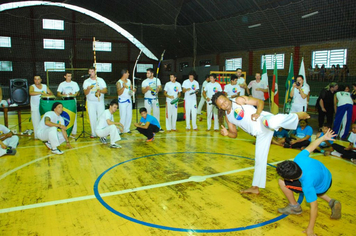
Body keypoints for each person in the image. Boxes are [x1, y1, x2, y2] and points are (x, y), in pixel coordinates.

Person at [211, 91, 310, 194]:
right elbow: (234, 134)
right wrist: (227, 133)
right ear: (219, 108)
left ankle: (296, 116)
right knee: (259, 160)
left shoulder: (239, 100)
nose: (225, 104)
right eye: (221, 104)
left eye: (225, 101)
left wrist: (257, 113)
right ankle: (255, 187)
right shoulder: (228, 117)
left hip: (262, 120)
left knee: (270, 122)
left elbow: (259, 102)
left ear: (227, 97)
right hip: (260, 133)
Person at [276, 129, 341, 236]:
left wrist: (310, 229)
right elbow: (312, 146)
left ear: (291, 180)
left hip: (320, 186)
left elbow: (314, 207)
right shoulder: (299, 158)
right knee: (312, 186)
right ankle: (331, 201)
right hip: (327, 176)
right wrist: (323, 138)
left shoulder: (307, 185)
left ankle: (294, 207)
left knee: (281, 182)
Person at [83, 67, 107, 138]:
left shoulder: (100, 80)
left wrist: (100, 91)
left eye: (92, 71)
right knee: (92, 117)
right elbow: (85, 93)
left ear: (95, 72)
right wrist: (88, 89)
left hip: (100, 101)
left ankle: (101, 132)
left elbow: (105, 90)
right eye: (89, 71)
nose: (91, 73)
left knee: (101, 116)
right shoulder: (86, 81)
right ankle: (93, 133)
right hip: (91, 102)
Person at [57, 72, 80, 136]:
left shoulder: (75, 84)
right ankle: (65, 130)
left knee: (73, 116)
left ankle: (74, 132)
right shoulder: (62, 84)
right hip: (65, 102)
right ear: (65, 76)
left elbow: (78, 93)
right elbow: (58, 93)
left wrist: (74, 94)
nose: (69, 77)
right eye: (68, 76)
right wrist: (62, 95)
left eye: (70, 76)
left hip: (72, 101)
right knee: (64, 116)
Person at [116, 69, 135, 134]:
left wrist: (133, 91)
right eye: (127, 73)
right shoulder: (119, 82)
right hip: (122, 101)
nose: (128, 74)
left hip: (129, 100)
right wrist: (123, 87)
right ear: (124, 74)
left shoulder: (129, 81)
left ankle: (127, 129)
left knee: (129, 115)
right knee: (123, 115)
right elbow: (119, 93)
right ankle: (120, 130)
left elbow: (130, 90)